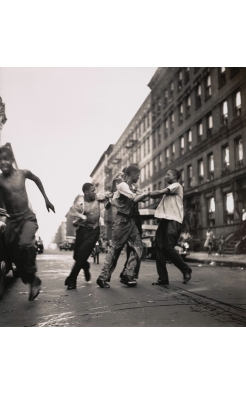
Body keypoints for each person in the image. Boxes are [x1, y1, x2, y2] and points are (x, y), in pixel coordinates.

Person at [0, 145, 55, 301]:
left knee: (26, 244)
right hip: (12, 220)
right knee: (12, 253)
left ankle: (32, 277)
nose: (2, 162)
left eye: (5, 159)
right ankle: (33, 280)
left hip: (27, 218)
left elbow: (36, 179)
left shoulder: (23, 173)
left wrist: (46, 199)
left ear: (12, 160)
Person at [96, 165, 148, 288]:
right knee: (115, 249)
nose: (139, 177)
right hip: (122, 221)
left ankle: (127, 274)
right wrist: (146, 194)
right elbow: (134, 198)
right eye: (138, 175)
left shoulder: (133, 187)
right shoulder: (122, 186)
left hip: (131, 221)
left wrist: (147, 194)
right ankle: (102, 278)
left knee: (138, 247)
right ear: (132, 174)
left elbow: (142, 197)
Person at [147, 169, 192, 286]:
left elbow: (158, 193)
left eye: (168, 175)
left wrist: (146, 193)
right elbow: (156, 196)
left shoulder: (177, 186)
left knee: (168, 247)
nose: (166, 177)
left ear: (176, 176)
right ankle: (163, 278)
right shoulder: (169, 192)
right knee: (159, 247)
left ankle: (186, 269)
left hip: (174, 220)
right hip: (165, 221)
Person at [65, 183, 109, 290]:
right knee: (76, 256)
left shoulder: (98, 198)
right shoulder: (80, 204)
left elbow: (108, 205)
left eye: (95, 190)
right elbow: (72, 215)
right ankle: (85, 266)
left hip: (94, 231)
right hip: (82, 230)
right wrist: (79, 218)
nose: (95, 192)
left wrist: (107, 200)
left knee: (82, 253)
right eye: (93, 190)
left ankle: (72, 279)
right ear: (86, 192)